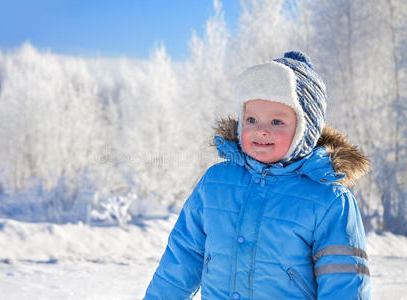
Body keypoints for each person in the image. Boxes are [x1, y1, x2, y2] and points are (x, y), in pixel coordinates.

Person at [144, 51, 371, 299]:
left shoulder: (329, 199)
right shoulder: (216, 183)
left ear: (305, 130)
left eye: (276, 122)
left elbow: (345, 284)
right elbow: (182, 257)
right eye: (251, 119)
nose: (261, 130)